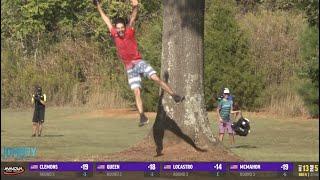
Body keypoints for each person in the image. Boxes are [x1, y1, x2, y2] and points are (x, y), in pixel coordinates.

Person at [93, 0, 185, 127]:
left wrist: (135, 6)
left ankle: (175, 95)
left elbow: (133, 17)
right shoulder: (114, 33)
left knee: (155, 78)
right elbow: (106, 20)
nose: (120, 30)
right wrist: (98, 6)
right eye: (118, 28)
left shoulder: (129, 31)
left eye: (121, 28)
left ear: (125, 27)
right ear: (115, 28)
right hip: (129, 67)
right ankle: (142, 116)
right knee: (136, 92)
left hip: (138, 62)